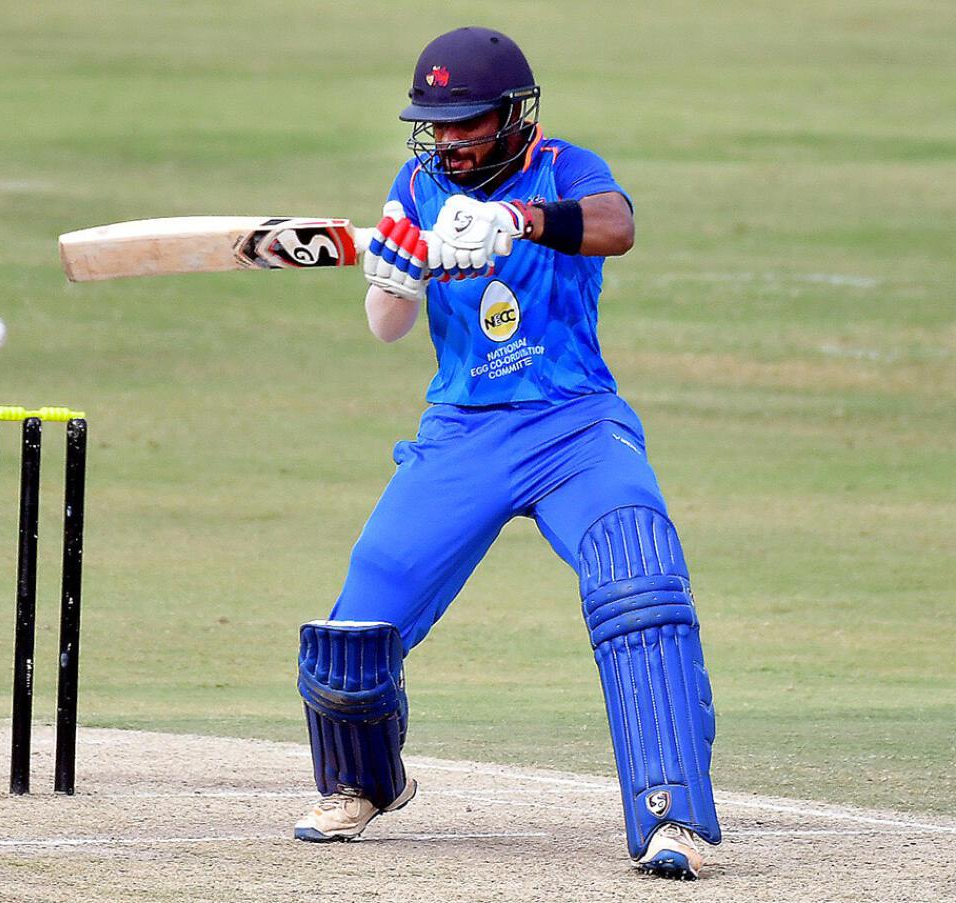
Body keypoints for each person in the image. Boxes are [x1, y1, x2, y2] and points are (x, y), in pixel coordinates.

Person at [292, 26, 721, 880]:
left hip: (573, 423)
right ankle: (362, 781)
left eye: (466, 123)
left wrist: (515, 220)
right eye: (435, 124)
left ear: (514, 117)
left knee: (639, 575)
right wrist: (392, 282)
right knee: (354, 628)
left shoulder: (565, 167)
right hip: (463, 431)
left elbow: (618, 226)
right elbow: (387, 326)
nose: (448, 140)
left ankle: (675, 816)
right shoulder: (413, 185)